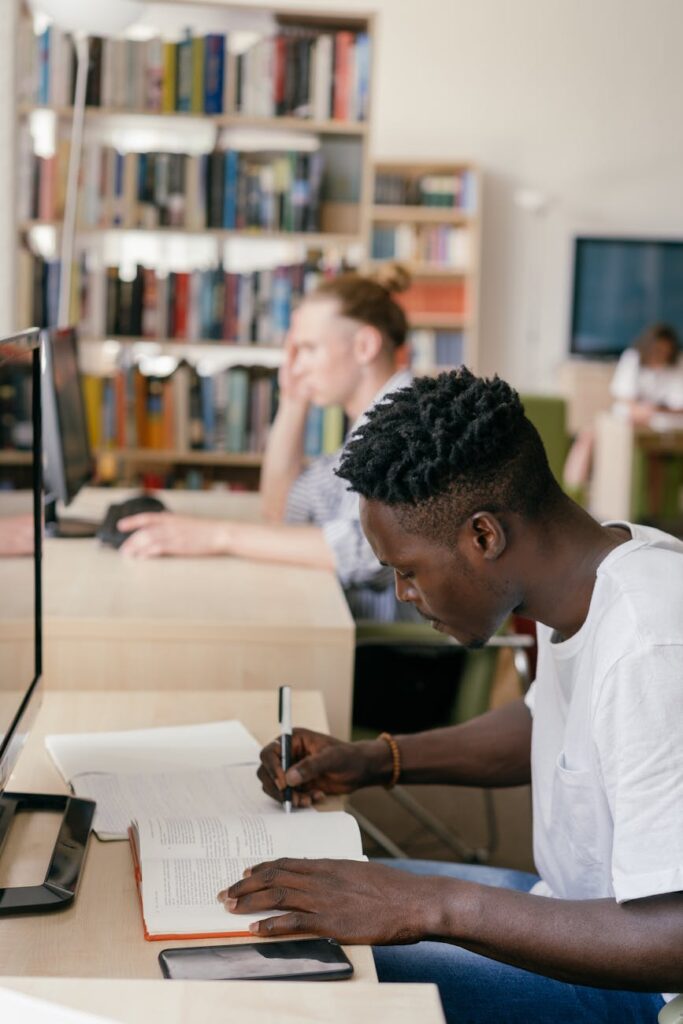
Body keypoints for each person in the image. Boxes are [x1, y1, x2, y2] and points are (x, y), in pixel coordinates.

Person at [218, 369, 683, 1023]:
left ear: (483, 536)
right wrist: (376, 759)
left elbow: (672, 940)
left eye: (407, 571)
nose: (405, 595)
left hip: (642, 983)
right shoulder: (588, 570)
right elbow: (546, 727)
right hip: (568, 908)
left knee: (282, 977)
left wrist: (429, 905)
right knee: (294, 907)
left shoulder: (651, 640)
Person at [119, 264, 415, 620]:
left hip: (400, 654)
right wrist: (292, 399)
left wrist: (218, 536)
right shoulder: (373, 424)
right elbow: (283, 508)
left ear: (365, 345)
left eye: (308, 349)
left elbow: (365, 552)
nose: (297, 365)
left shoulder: (405, 426)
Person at [611, 322, 683, 424]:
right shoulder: (633, 357)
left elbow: (679, 405)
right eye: (658, 350)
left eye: (666, 351)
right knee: (619, 413)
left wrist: (657, 410)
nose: (662, 354)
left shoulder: (679, 362)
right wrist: (641, 411)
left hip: (666, 415)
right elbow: (624, 395)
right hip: (636, 411)